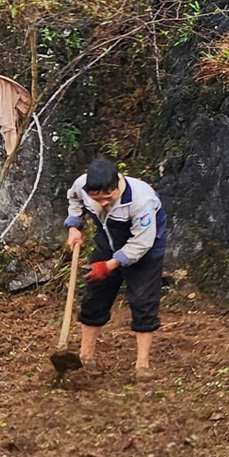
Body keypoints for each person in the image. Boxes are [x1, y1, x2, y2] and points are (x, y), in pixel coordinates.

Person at [63, 157, 168, 374]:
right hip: (107, 241)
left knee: (143, 301)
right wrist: (74, 226)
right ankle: (86, 357)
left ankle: (142, 364)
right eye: (97, 199)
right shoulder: (81, 185)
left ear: (118, 183)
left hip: (145, 248)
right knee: (94, 296)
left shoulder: (141, 199)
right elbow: (74, 199)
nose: (102, 203)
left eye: (108, 198)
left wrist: (109, 265)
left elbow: (142, 243)